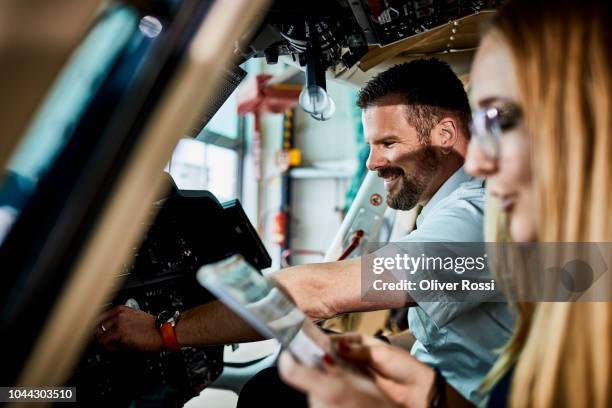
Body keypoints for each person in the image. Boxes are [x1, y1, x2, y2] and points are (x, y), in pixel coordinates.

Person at [97, 58, 512, 404]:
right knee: (282, 381)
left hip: (462, 398)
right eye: (370, 146)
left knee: (272, 397)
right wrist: (373, 349)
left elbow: (319, 293)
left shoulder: (472, 219)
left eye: (387, 143)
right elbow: (452, 341)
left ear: (444, 135)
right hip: (454, 384)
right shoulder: (464, 207)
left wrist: (164, 330)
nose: (371, 162)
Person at [278, 0, 612, 407]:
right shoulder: (579, 293)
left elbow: (324, 291)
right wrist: (426, 391)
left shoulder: (477, 219)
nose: (480, 160)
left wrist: (175, 330)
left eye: (501, 120)